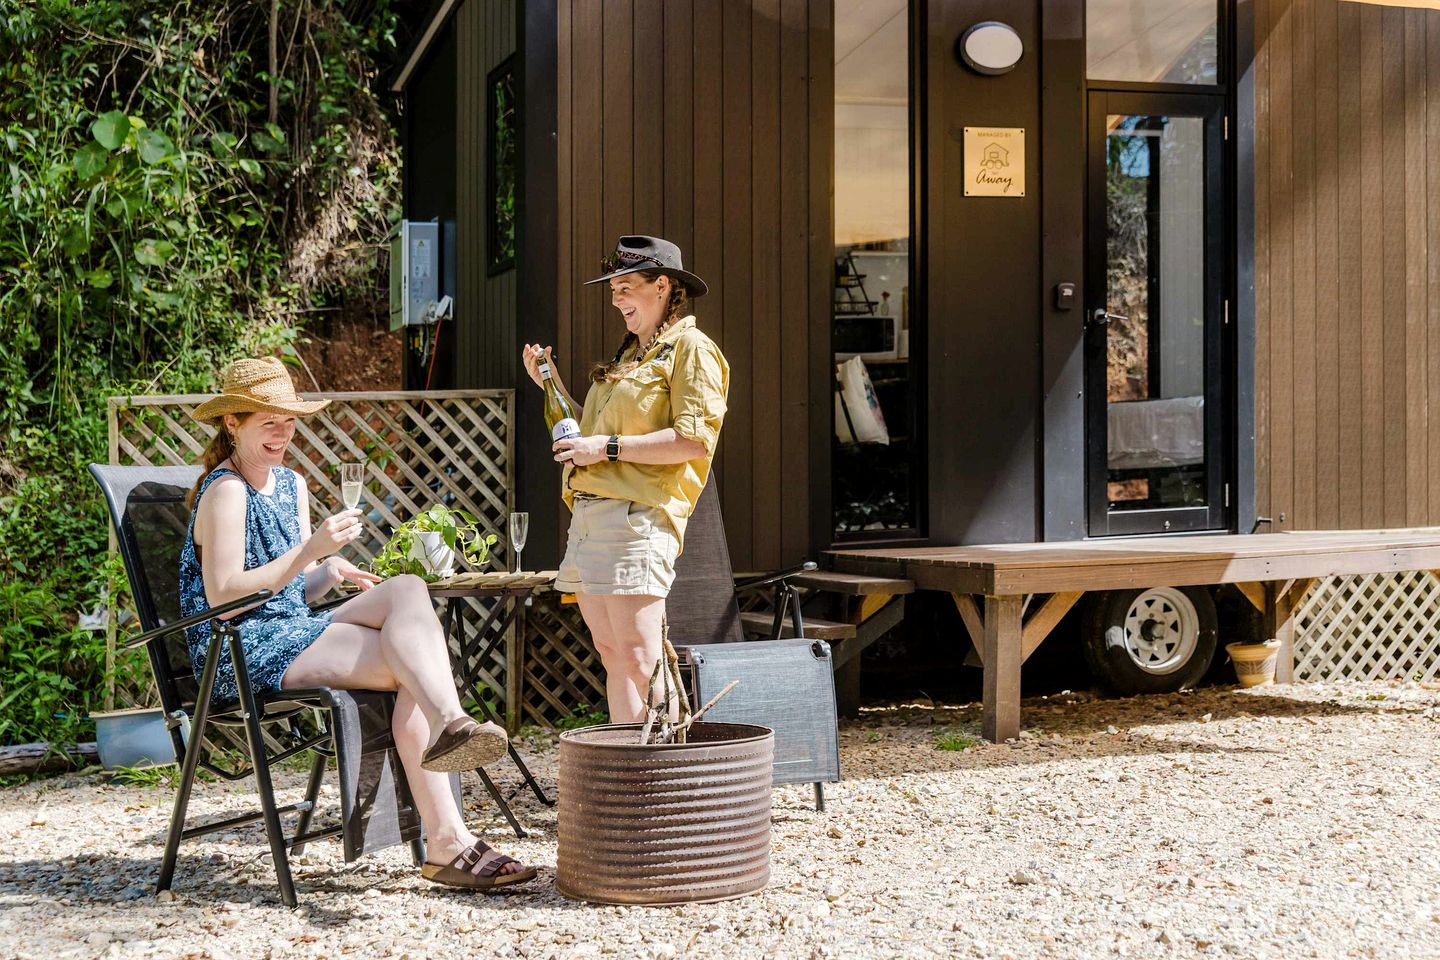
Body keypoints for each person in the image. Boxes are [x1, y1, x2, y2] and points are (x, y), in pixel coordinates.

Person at [178, 356, 534, 891]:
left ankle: (449, 728)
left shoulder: (291, 484)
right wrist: (311, 552)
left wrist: (328, 572)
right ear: (233, 422)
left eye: (289, 419)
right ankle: (448, 839)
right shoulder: (225, 491)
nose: (282, 432)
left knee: (408, 591)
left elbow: (292, 589)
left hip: (290, 625)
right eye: (267, 421)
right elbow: (226, 599)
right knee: (412, 663)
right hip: (240, 647)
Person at [522, 236, 729, 723]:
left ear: (662, 286)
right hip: (591, 516)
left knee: (644, 661)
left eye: (625, 287)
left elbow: (693, 442)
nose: (615, 298)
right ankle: (630, 779)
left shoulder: (692, 349)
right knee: (614, 656)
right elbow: (589, 439)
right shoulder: (632, 354)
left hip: (639, 519)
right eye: (612, 288)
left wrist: (605, 448)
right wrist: (548, 384)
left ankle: (674, 779)